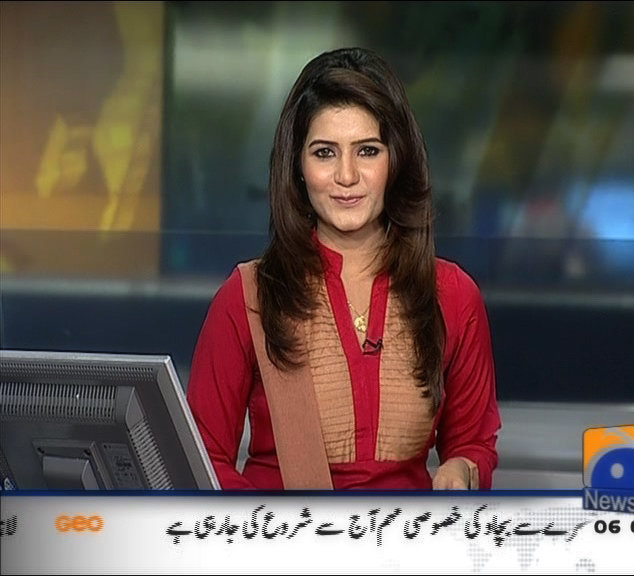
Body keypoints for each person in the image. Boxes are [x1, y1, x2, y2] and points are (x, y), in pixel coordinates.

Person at [187, 47, 501, 490]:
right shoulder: (249, 297)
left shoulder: (453, 294)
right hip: (283, 533)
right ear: (298, 166)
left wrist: (461, 469)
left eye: (367, 151)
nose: (347, 176)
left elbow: (473, 443)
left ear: (396, 160)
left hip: (406, 535)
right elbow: (203, 461)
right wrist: (271, 525)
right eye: (325, 153)